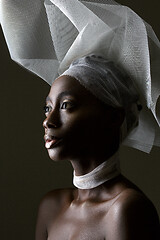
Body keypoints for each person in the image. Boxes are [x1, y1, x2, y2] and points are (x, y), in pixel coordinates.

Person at [0, 0, 160, 239]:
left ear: (114, 116)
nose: (49, 121)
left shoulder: (126, 209)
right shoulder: (51, 207)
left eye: (66, 105)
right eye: (47, 108)